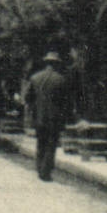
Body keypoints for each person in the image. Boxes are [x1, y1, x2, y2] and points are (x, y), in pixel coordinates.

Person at [25, 51, 74, 181]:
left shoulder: (35, 78)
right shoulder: (61, 80)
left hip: (38, 116)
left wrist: (33, 110)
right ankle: (45, 172)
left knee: (41, 142)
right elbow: (66, 102)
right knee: (51, 144)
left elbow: (28, 98)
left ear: (46, 63)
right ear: (56, 64)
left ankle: (40, 167)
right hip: (55, 118)